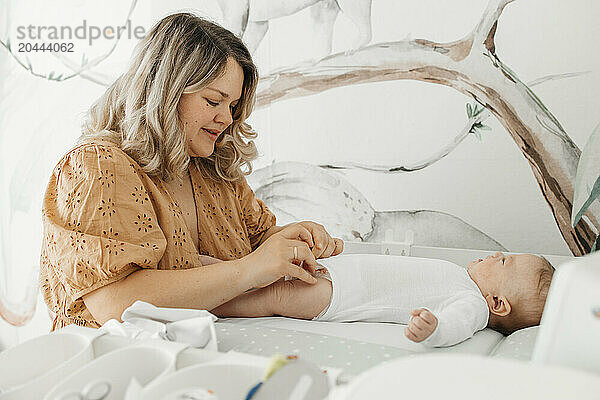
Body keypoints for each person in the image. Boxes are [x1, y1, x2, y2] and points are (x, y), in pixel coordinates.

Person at [39, 13, 343, 330]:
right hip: (114, 365)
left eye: (232, 106)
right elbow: (114, 304)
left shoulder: (213, 168)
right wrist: (252, 270)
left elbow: (256, 240)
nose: (226, 118)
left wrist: (291, 238)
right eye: (214, 101)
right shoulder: (97, 165)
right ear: (165, 91)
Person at [213, 251, 555, 347]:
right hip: (339, 272)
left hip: (338, 297)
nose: (495, 254)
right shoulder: (464, 278)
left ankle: (211, 303)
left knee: (274, 294)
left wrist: (433, 329)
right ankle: (207, 279)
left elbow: (456, 326)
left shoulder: (474, 305)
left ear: (498, 304)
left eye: (504, 262)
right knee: (256, 274)